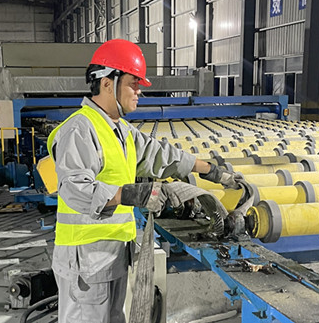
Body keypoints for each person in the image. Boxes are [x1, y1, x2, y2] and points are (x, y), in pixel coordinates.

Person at [47, 39, 238, 323]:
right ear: (107, 83)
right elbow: (74, 189)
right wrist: (132, 194)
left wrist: (209, 170)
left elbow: (160, 155)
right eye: (133, 84)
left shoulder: (122, 131)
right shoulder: (80, 129)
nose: (139, 92)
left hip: (111, 256)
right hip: (85, 261)